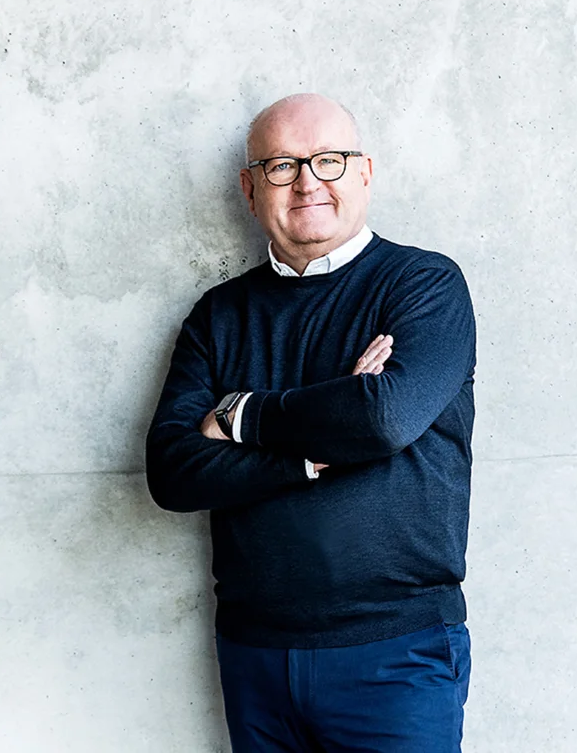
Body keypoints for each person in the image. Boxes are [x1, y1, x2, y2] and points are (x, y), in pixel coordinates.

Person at [146, 92, 477, 752]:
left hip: (395, 653)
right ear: (249, 187)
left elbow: (383, 420)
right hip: (255, 653)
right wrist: (308, 450)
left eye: (329, 160)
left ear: (364, 172)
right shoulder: (219, 316)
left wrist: (240, 413)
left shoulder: (423, 287)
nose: (307, 183)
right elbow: (172, 472)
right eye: (281, 166)